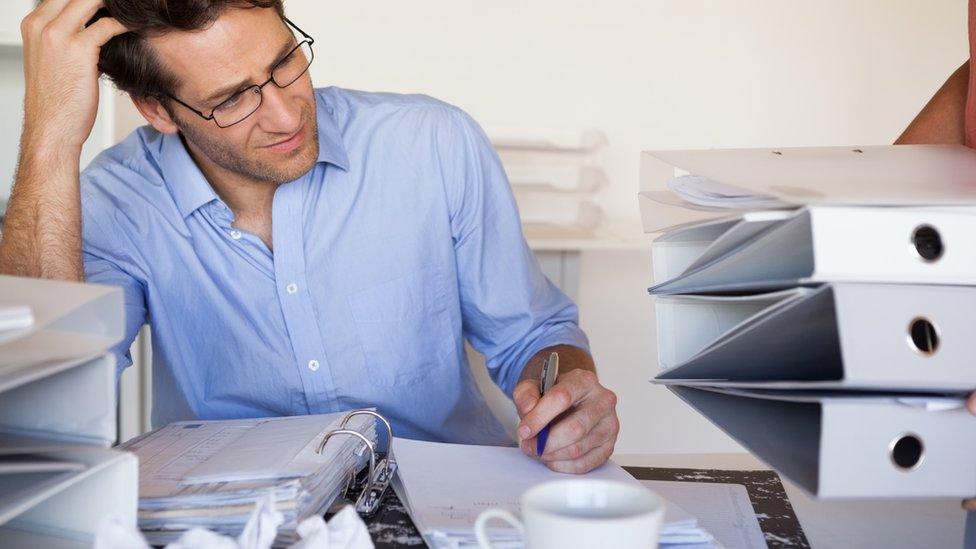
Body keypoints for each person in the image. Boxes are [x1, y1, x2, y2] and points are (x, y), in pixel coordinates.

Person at [0, 0, 619, 474]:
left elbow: (533, 334)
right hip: (234, 523)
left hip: (451, 505)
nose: (287, 114)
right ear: (158, 111)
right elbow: (38, 418)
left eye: (284, 63)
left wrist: (568, 389)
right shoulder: (111, 204)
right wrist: (51, 140)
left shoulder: (431, 142)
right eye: (233, 99)